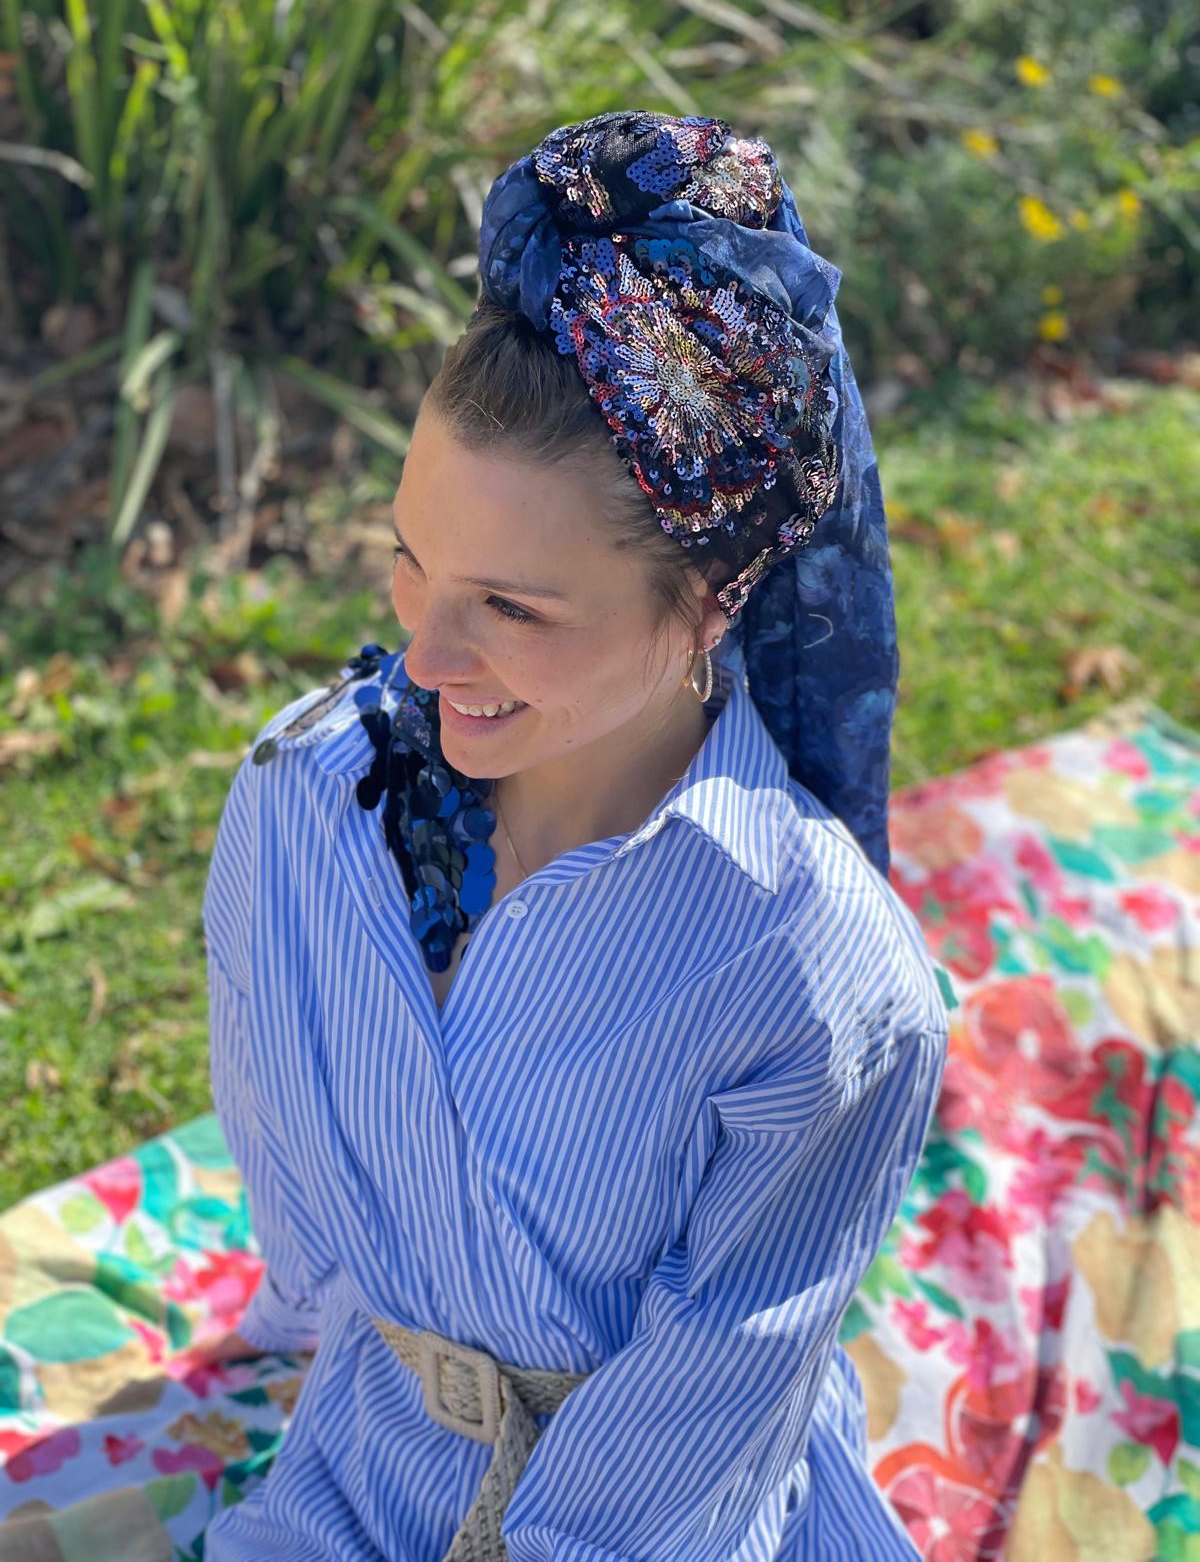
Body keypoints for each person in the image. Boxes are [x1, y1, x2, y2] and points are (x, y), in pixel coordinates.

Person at [202, 110, 948, 1561]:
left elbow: (710, 1399)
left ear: (713, 603)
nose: (424, 660)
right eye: (412, 564)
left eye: (513, 608)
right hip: (356, 1468)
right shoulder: (305, 799)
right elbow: (297, 1207)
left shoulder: (823, 978)